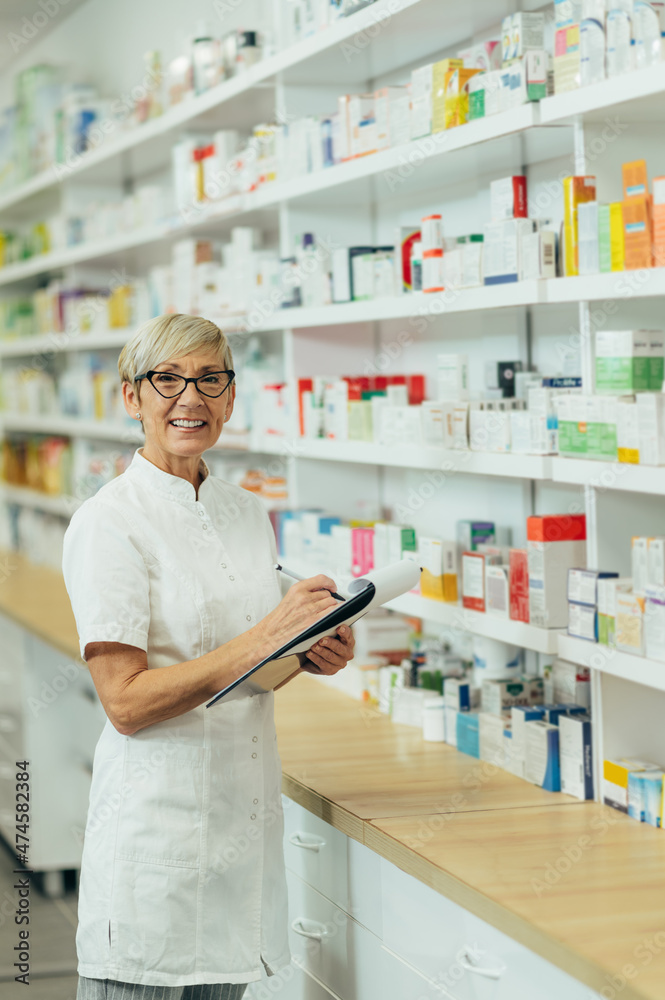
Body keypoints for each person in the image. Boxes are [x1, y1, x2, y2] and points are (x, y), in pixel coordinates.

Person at [62, 314, 355, 1000]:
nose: (189, 398)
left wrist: (304, 651)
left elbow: (238, 669)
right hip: (156, 857)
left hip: (237, 854)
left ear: (230, 395)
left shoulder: (246, 513)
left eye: (209, 379)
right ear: (131, 397)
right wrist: (264, 634)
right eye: (167, 379)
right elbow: (126, 703)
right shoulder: (110, 521)